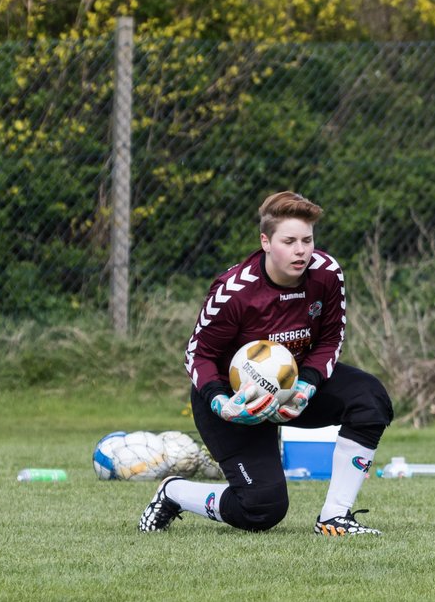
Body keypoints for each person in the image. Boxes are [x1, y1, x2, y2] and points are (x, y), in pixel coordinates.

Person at [138, 191, 393, 535]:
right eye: (289, 241)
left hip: (296, 388)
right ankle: (174, 492)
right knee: (261, 508)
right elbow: (199, 354)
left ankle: (335, 517)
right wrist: (220, 402)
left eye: (307, 240)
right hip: (232, 401)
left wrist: (306, 386)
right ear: (266, 241)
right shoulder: (234, 291)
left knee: (369, 399)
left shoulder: (328, 274)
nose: (301, 250)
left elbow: (331, 339)